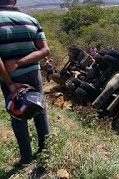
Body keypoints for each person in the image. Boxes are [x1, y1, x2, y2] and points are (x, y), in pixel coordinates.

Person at [0, 0, 50, 167]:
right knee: (40, 110)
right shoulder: (31, 19)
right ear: (14, 1)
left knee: (17, 114)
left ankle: (26, 158)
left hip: (10, 78)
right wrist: (20, 62)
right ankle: (47, 151)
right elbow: (45, 51)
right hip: (34, 74)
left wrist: (9, 81)